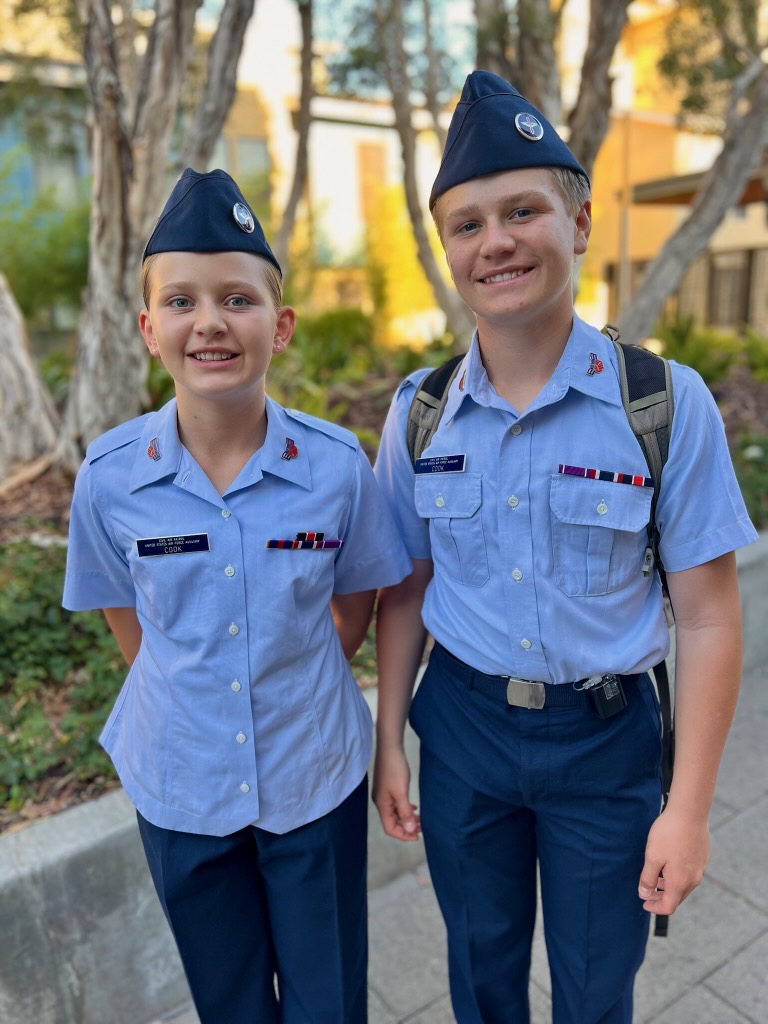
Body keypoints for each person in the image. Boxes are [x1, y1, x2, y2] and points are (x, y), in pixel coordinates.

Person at [372, 71, 758, 1024]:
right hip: (461, 733)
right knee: (482, 974)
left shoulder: (663, 404)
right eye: (467, 224)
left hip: (606, 742)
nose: (496, 241)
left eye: (522, 211)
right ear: (449, 251)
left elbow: (709, 615)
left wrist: (691, 807)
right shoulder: (420, 415)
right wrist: (389, 740)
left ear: (578, 223)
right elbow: (406, 589)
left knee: (596, 989)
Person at [62, 167, 412, 1024]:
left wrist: (297, 670)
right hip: (180, 782)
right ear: (149, 328)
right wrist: (191, 690)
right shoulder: (109, 480)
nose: (210, 322)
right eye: (180, 302)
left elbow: (364, 590)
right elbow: (122, 608)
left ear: (279, 325)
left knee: (327, 1001)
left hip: (313, 773)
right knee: (230, 1003)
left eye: (237, 299)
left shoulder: (336, 466)